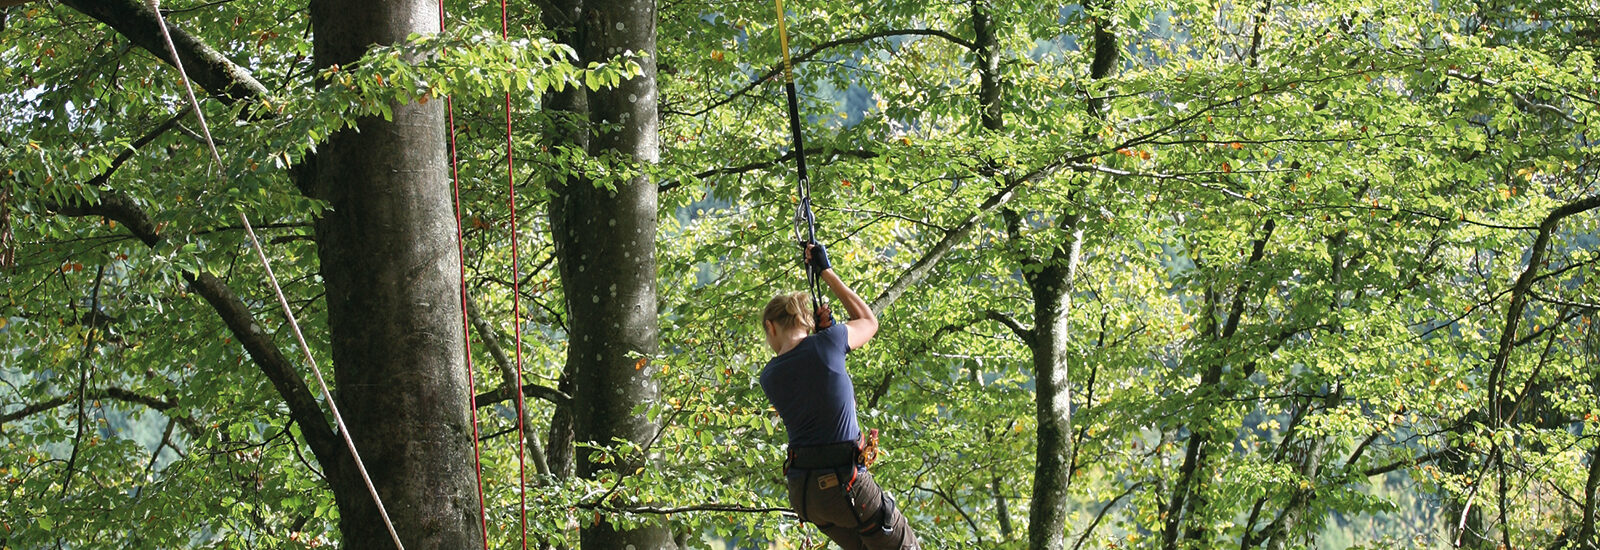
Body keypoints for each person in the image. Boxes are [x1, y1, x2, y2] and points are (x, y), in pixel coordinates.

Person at [759, 241, 920, 550]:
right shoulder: (830, 342)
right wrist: (827, 272)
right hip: (847, 485)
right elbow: (869, 322)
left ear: (771, 327)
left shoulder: (769, 376)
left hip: (807, 496)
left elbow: (808, 371)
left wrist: (823, 334)